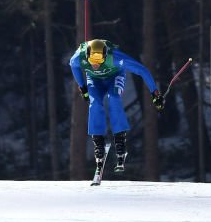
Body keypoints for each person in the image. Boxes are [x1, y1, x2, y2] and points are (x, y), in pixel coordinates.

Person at [69, 39, 165, 173]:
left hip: (114, 77)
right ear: (87, 55)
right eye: (92, 60)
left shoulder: (115, 58)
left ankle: (120, 141)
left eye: (99, 59)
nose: (96, 64)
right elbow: (73, 66)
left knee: (113, 98)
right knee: (95, 103)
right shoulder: (79, 57)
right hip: (94, 80)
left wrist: (155, 93)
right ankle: (98, 142)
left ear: (105, 55)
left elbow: (142, 70)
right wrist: (83, 88)